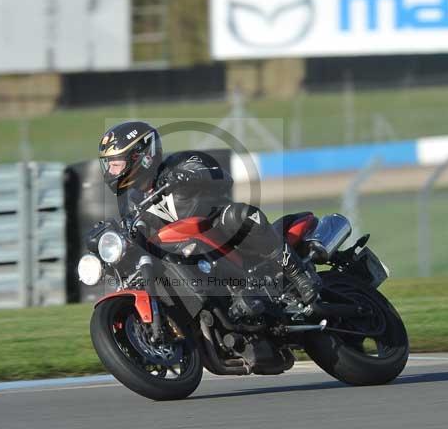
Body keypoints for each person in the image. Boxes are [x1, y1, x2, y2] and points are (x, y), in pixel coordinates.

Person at [98, 121, 322, 315]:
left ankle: (298, 275)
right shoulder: (133, 203)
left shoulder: (178, 163)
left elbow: (223, 177)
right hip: (185, 254)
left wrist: (192, 175)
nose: (111, 171)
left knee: (239, 215)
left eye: (116, 164)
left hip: (223, 234)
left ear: (141, 156)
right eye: (108, 165)